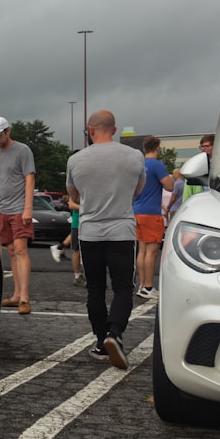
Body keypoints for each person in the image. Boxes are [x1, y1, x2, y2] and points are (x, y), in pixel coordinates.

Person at [66, 110, 146, 369]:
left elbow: (74, 196)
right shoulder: (134, 156)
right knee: (123, 287)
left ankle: (101, 342)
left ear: (90, 129)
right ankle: (115, 333)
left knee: (96, 289)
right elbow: (137, 190)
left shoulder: (76, 159)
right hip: (122, 231)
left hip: (90, 234)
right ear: (114, 129)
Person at [0, 116, 35, 315]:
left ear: (8, 131)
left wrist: (28, 208)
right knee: (12, 251)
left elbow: (29, 178)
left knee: (21, 250)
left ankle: (24, 298)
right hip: (1, 209)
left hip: (19, 209)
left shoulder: (23, 150)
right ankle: (16, 295)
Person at [133, 135, 173, 300]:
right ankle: (148, 286)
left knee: (142, 250)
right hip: (151, 212)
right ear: (158, 148)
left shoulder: (138, 164)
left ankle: (142, 285)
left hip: (137, 210)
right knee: (152, 251)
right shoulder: (157, 165)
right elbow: (169, 186)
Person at [181, 133, 214, 202]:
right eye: (201, 147)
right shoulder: (196, 164)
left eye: (206, 146)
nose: (203, 149)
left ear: (215, 146)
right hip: (199, 201)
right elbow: (188, 189)